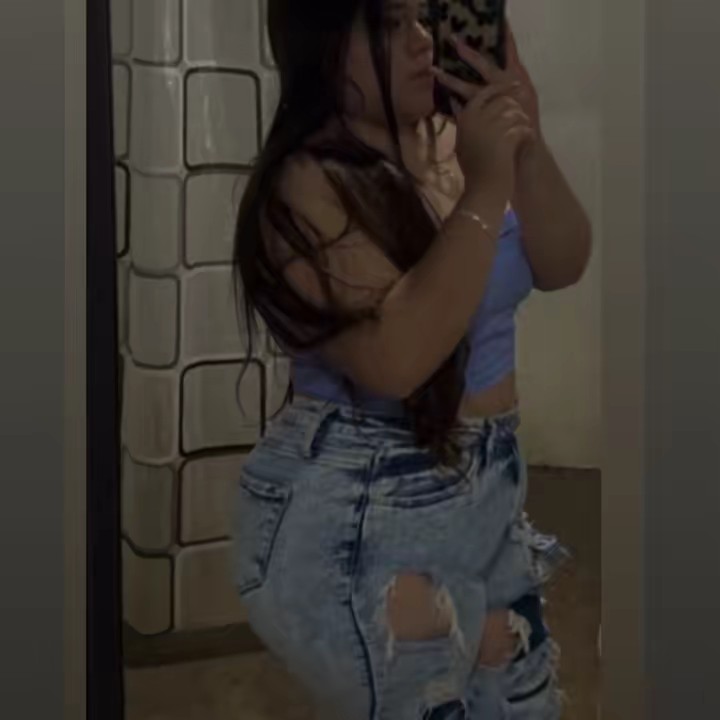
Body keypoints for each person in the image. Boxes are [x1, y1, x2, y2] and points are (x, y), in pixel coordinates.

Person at [231, 1, 591, 718]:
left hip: (487, 487)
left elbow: (563, 260)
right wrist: (484, 190)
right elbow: (398, 360)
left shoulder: (460, 145)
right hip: (369, 496)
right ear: (323, 45)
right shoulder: (306, 184)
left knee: (525, 703)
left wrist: (524, 139)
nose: (423, 41)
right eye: (391, 25)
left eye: (425, 16)